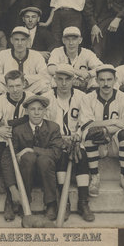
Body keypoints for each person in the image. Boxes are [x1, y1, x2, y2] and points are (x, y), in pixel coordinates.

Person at [43, 64, 95, 222]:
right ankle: (64, 202)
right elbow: (44, 125)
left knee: (82, 155)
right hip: (55, 141)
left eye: (67, 79)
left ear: (73, 80)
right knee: (61, 156)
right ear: (55, 79)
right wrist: (59, 139)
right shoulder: (47, 97)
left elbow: (86, 121)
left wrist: (77, 137)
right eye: (60, 79)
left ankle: (83, 201)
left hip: (75, 139)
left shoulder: (82, 97)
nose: (64, 83)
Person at [0, 70, 34, 221]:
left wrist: (6, 124)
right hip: (7, 140)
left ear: (24, 84)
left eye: (18, 85)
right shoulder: (0, 100)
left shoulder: (30, 97)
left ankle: (9, 187)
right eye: (11, 86)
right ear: (6, 86)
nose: (15, 90)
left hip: (26, 140)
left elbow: (27, 119)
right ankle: (11, 200)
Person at [1, 95, 64, 220]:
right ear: (27, 111)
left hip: (47, 175)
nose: (36, 113)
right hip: (26, 176)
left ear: (45, 111)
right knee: (28, 158)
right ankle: (25, 203)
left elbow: (57, 153)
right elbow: (7, 159)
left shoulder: (53, 128)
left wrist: (32, 149)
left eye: (40, 109)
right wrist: (13, 189)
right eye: (32, 109)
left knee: (44, 159)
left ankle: (51, 204)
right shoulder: (18, 130)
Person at [79, 64, 124, 198]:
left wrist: (104, 129)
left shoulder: (123, 98)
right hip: (96, 145)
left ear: (115, 80)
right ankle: (95, 177)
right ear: (97, 81)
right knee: (90, 134)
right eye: (102, 80)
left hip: (115, 144)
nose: (106, 84)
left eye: (109, 80)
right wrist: (113, 122)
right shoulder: (88, 98)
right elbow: (86, 125)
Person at [0, 26, 51, 95]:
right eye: (16, 39)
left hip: (29, 89)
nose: (19, 43)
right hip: (8, 89)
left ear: (28, 41)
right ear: (11, 40)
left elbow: (44, 75)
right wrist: (11, 80)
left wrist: (27, 79)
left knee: (45, 84)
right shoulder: (2, 55)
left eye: (23, 40)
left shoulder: (36, 55)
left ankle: (32, 102)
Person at [48, 27, 102, 92]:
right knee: (49, 79)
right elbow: (51, 68)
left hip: (82, 85)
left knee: (96, 80)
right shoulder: (57, 51)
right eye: (68, 39)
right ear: (63, 41)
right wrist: (76, 72)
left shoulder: (87, 53)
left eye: (74, 39)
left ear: (80, 40)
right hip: (63, 85)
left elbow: (100, 68)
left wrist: (88, 74)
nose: (71, 43)